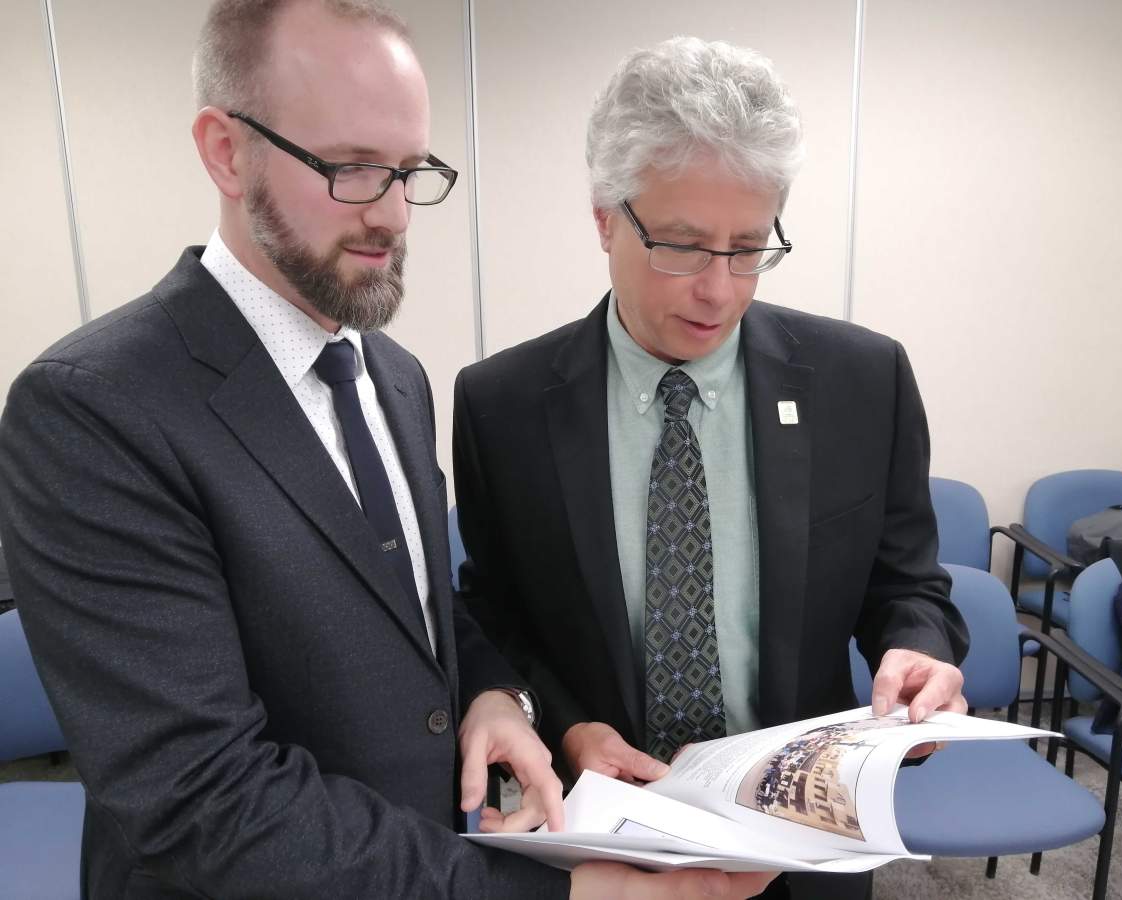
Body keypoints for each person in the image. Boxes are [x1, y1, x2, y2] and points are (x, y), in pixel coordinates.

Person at [0, 5, 774, 898]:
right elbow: (200, 797)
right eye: (354, 168)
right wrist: (562, 893)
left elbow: (413, 609)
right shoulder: (95, 409)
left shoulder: (392, 375)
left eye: (411, 171)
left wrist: (491, 693)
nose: (396, 215)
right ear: (225, 151)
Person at [452, 36, 970, 899]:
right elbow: (495, 614)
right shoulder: (502, 403)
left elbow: (906, 585)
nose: (720, 290)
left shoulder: (861, 380)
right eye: (684, 246)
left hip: (799, 838)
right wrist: (571, 726)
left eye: (749, 246)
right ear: (605, 218)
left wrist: (917, 655)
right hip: (606, 842)